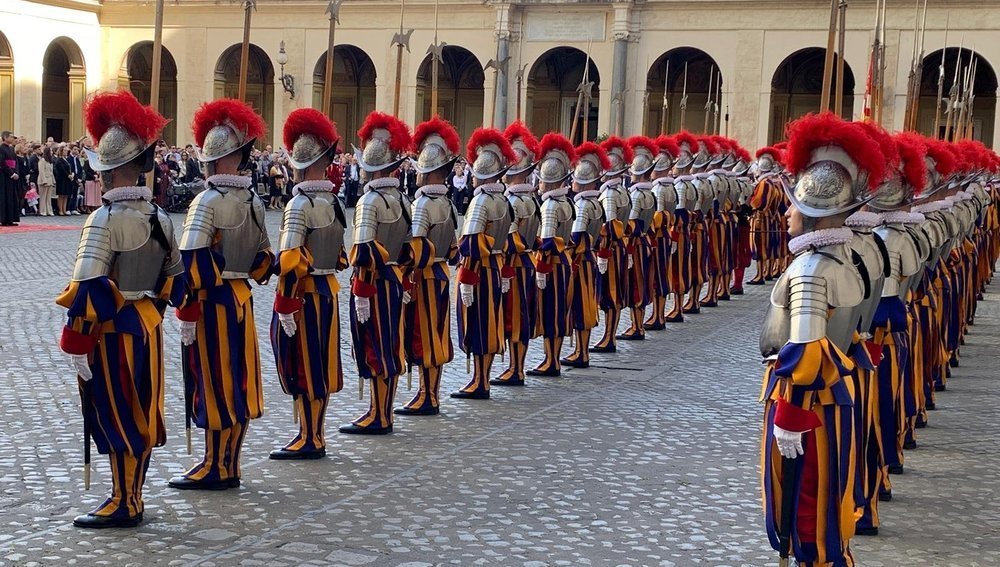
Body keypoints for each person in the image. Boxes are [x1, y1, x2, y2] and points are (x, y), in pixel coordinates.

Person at [759, 113, 887, 567]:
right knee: (823, 511)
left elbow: (807, 353)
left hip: (809, 404)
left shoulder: (812, 269)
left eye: (793, 204)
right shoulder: (839, 256)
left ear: (815, 207)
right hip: (831, 400)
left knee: (808, 516)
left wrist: (788, 415)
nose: (787, 211)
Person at [56, 90, 184, 528]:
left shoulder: (103, 219)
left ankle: (123, 500)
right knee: (142, 409)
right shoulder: (162, 217)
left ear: (109, 173)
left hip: (111, 332)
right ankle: (132, 495)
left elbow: (89, 287)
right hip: (147, 326)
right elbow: (174, 280)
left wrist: (75, 339)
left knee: (114, 410)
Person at [171, 99, 274, 490]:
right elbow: (265, 260)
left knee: (214, 379)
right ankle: (231, 462)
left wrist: (184, 303)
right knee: (238, 379)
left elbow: (192, 265)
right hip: (242, 299)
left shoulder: (206, 201)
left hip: (211, 303)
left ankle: (215, 463)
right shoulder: (254, 200)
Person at [270, 108, 347, 458]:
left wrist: (285, 303)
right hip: (327, 292)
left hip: (303, 296)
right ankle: (315, 432)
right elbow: (341, 257)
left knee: (304, 365)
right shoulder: (333, 200)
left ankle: (310, 436)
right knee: (321, 364)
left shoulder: (299, 204)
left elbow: (289, 261)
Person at [342, 111, 412, 434]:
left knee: (375, 345)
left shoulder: (369, 200)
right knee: (391, 345)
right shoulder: (404, 199)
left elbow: (364, 252)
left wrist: (361, 291)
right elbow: (409, 249)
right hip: (396, 280)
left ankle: (378, 414)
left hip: (374, 285)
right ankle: (385, 412)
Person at [395, 116, 461, 416]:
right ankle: (432, 393)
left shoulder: (422, 204)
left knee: (423, 335)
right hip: (442, 274)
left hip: (422, 276)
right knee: (437, 333)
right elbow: (453, 249)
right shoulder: (447, 203)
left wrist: (403, 270)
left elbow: (415, 247)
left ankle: (427, 394)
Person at [453, 128, 517, 400]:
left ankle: (479, 380)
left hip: (478, 272)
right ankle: (483, 378)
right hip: (495, 268)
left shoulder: (481, 200)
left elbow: (470, 245)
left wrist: (466, 276)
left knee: (479, 325)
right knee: (490, 323)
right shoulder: (502, 198)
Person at [493, 121, 539, 386]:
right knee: (520, 316)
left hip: (513, 266)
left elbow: (510, 240)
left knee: (514, 317)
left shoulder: (512, 200)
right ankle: (516, 366)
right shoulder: (532, 198)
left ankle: (515, 368)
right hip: (528, 262)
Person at [529, 133, 576, 376]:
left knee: (550, 311)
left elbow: (547, 243)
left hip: (552, 265)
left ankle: (551, 360)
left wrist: (538, 262)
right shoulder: (567, 202)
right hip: (565, 262)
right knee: (559, 311)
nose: (539, 184)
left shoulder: (549, 205)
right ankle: (553, 358)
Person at [560, 142, 608, 368]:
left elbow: (577, 236)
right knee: (585, 306)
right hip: (589, 259)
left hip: (579, 261)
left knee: (580, 307)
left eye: (575, 179)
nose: (572, 183)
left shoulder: (582, 205)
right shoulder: (596, 202)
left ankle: (581, 352)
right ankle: (582, 350)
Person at [590, 137, 632, 353]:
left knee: (610, 295)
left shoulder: (609, 194)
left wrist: (603, 252)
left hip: (610, 251)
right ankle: (610, 335)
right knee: (613, 296)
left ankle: (609, 337)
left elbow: (608, 227)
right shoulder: (623, 190)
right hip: (620, 249)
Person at [617, 136, 658, 341]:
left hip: (636, 244)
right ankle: (638, 324)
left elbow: (632, 225)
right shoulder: (650, 193)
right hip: (645, 242)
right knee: (641, 283)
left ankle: (637, 326)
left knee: (636, 284)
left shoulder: (637, 195)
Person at [642, 136, 679, 330]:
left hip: (657, 237)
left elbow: (658, 217)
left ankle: (658, 315)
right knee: (662, 274)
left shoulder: (659, 188)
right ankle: (659, 314)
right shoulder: (670, 186)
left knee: (657, 276)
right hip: (666, 235)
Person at [1, 131, 21, 225]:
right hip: (5, 176)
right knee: (5, 196)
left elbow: (15, 162)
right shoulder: (1, 148)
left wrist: (16, 172)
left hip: (13, 175)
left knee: (12, 197)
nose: (13, 139)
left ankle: (11, 218)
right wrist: (11, 174)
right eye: (11, 137)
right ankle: (3, 219)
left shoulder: (12, 149)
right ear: (5, 137)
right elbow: (2, 163)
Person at [54, 145, 74, 216]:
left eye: (66, 150)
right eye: (65, 150)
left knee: (66, 195)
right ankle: (60, 210)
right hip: (62, 179)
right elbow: (61, 169)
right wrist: (68, 175)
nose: (66, 152)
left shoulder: (66, 159)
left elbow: (69, 168)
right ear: (61, 151)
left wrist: (71, 174)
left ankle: (64, 209)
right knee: (61, 195)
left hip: (67, 179)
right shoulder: (59, 160)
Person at [37, 145, 56, 216]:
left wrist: (53, 181)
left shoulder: (50, 161)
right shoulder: (42, 160)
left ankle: (49, 210)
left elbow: (51, 172)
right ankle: (42, 211)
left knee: (48, 197)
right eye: (50, 151)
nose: (51, 152)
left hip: (50, 180)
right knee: (43, 197)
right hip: (43, 181)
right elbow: (41, 171)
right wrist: (44, 181)